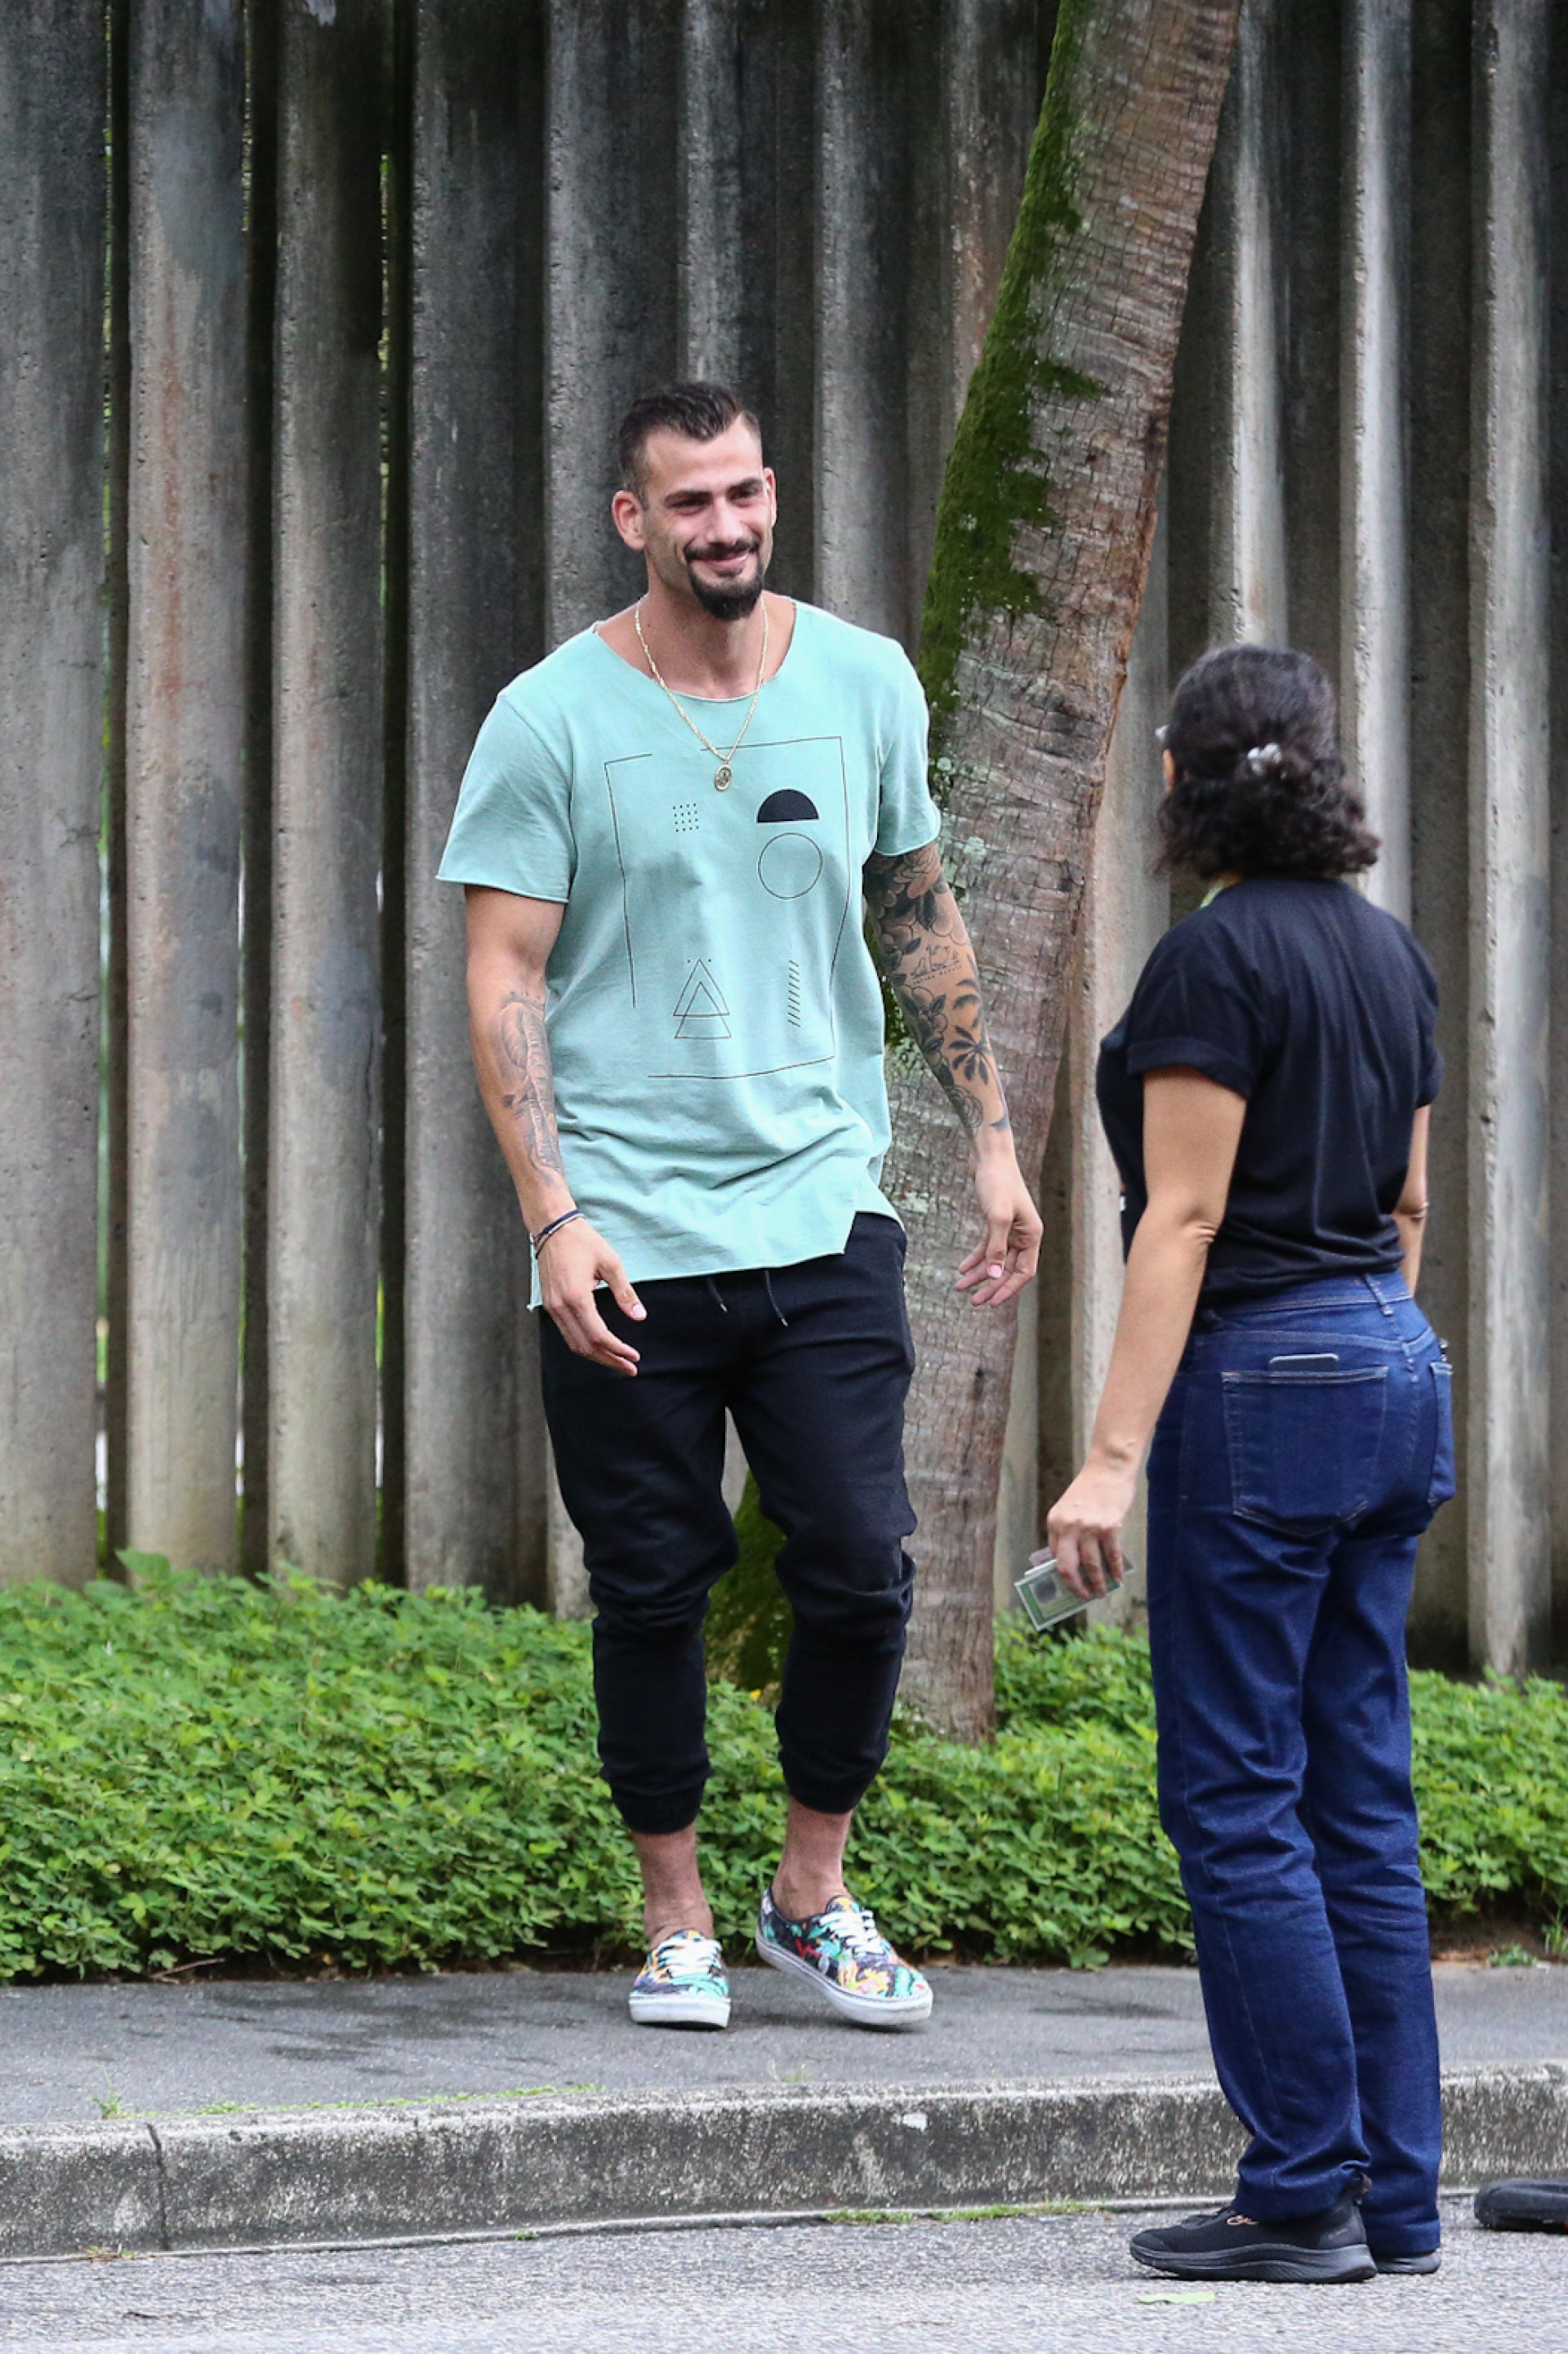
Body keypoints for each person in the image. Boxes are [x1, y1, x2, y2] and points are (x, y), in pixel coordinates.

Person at [439, 381, 1041, 2031]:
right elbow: (503, 970)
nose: (728, 526)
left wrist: (992, 1142)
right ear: (633, 519)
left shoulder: (863, 682)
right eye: (692, 501)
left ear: (774, 494)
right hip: (624, 1233)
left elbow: (916, 907)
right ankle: (676, 1915)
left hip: (822, 1207)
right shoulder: (550, 719)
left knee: (857, 1558)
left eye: (747, 492)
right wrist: (554, 1212)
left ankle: (811, 1892)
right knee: (653, 1581)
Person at [1045, 643, 1453, 2282]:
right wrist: (1363, 1358)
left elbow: (1188, 1217)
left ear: (1180, 779)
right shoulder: (1391, 952)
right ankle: (1395, 2194)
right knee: (1360, 1788)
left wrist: (1110, 1457)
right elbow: (1407, 1209)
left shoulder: (1210, 963)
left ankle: (1299, 2188)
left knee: (1235, 1791)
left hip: (1268, 1374)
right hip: (1392, 1358)